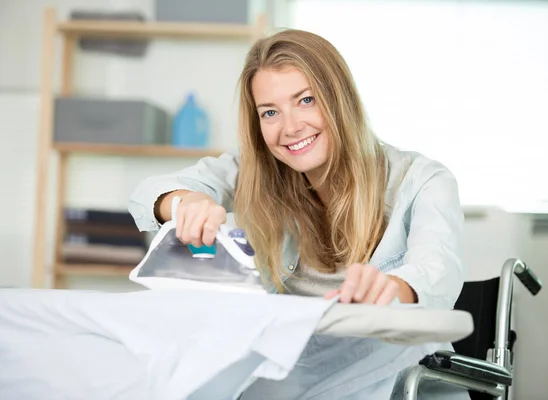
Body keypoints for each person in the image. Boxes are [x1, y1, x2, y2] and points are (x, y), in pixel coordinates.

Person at [129, 29, 467, 399]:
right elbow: (148, 194)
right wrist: (183, 203)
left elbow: (438, 270)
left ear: (339, 100)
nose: (289, 128)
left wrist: (393, 290)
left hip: (392, 378)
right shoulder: (257, 171)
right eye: (270, 112)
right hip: (297, 377)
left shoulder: (422, 180)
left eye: (306, 100)